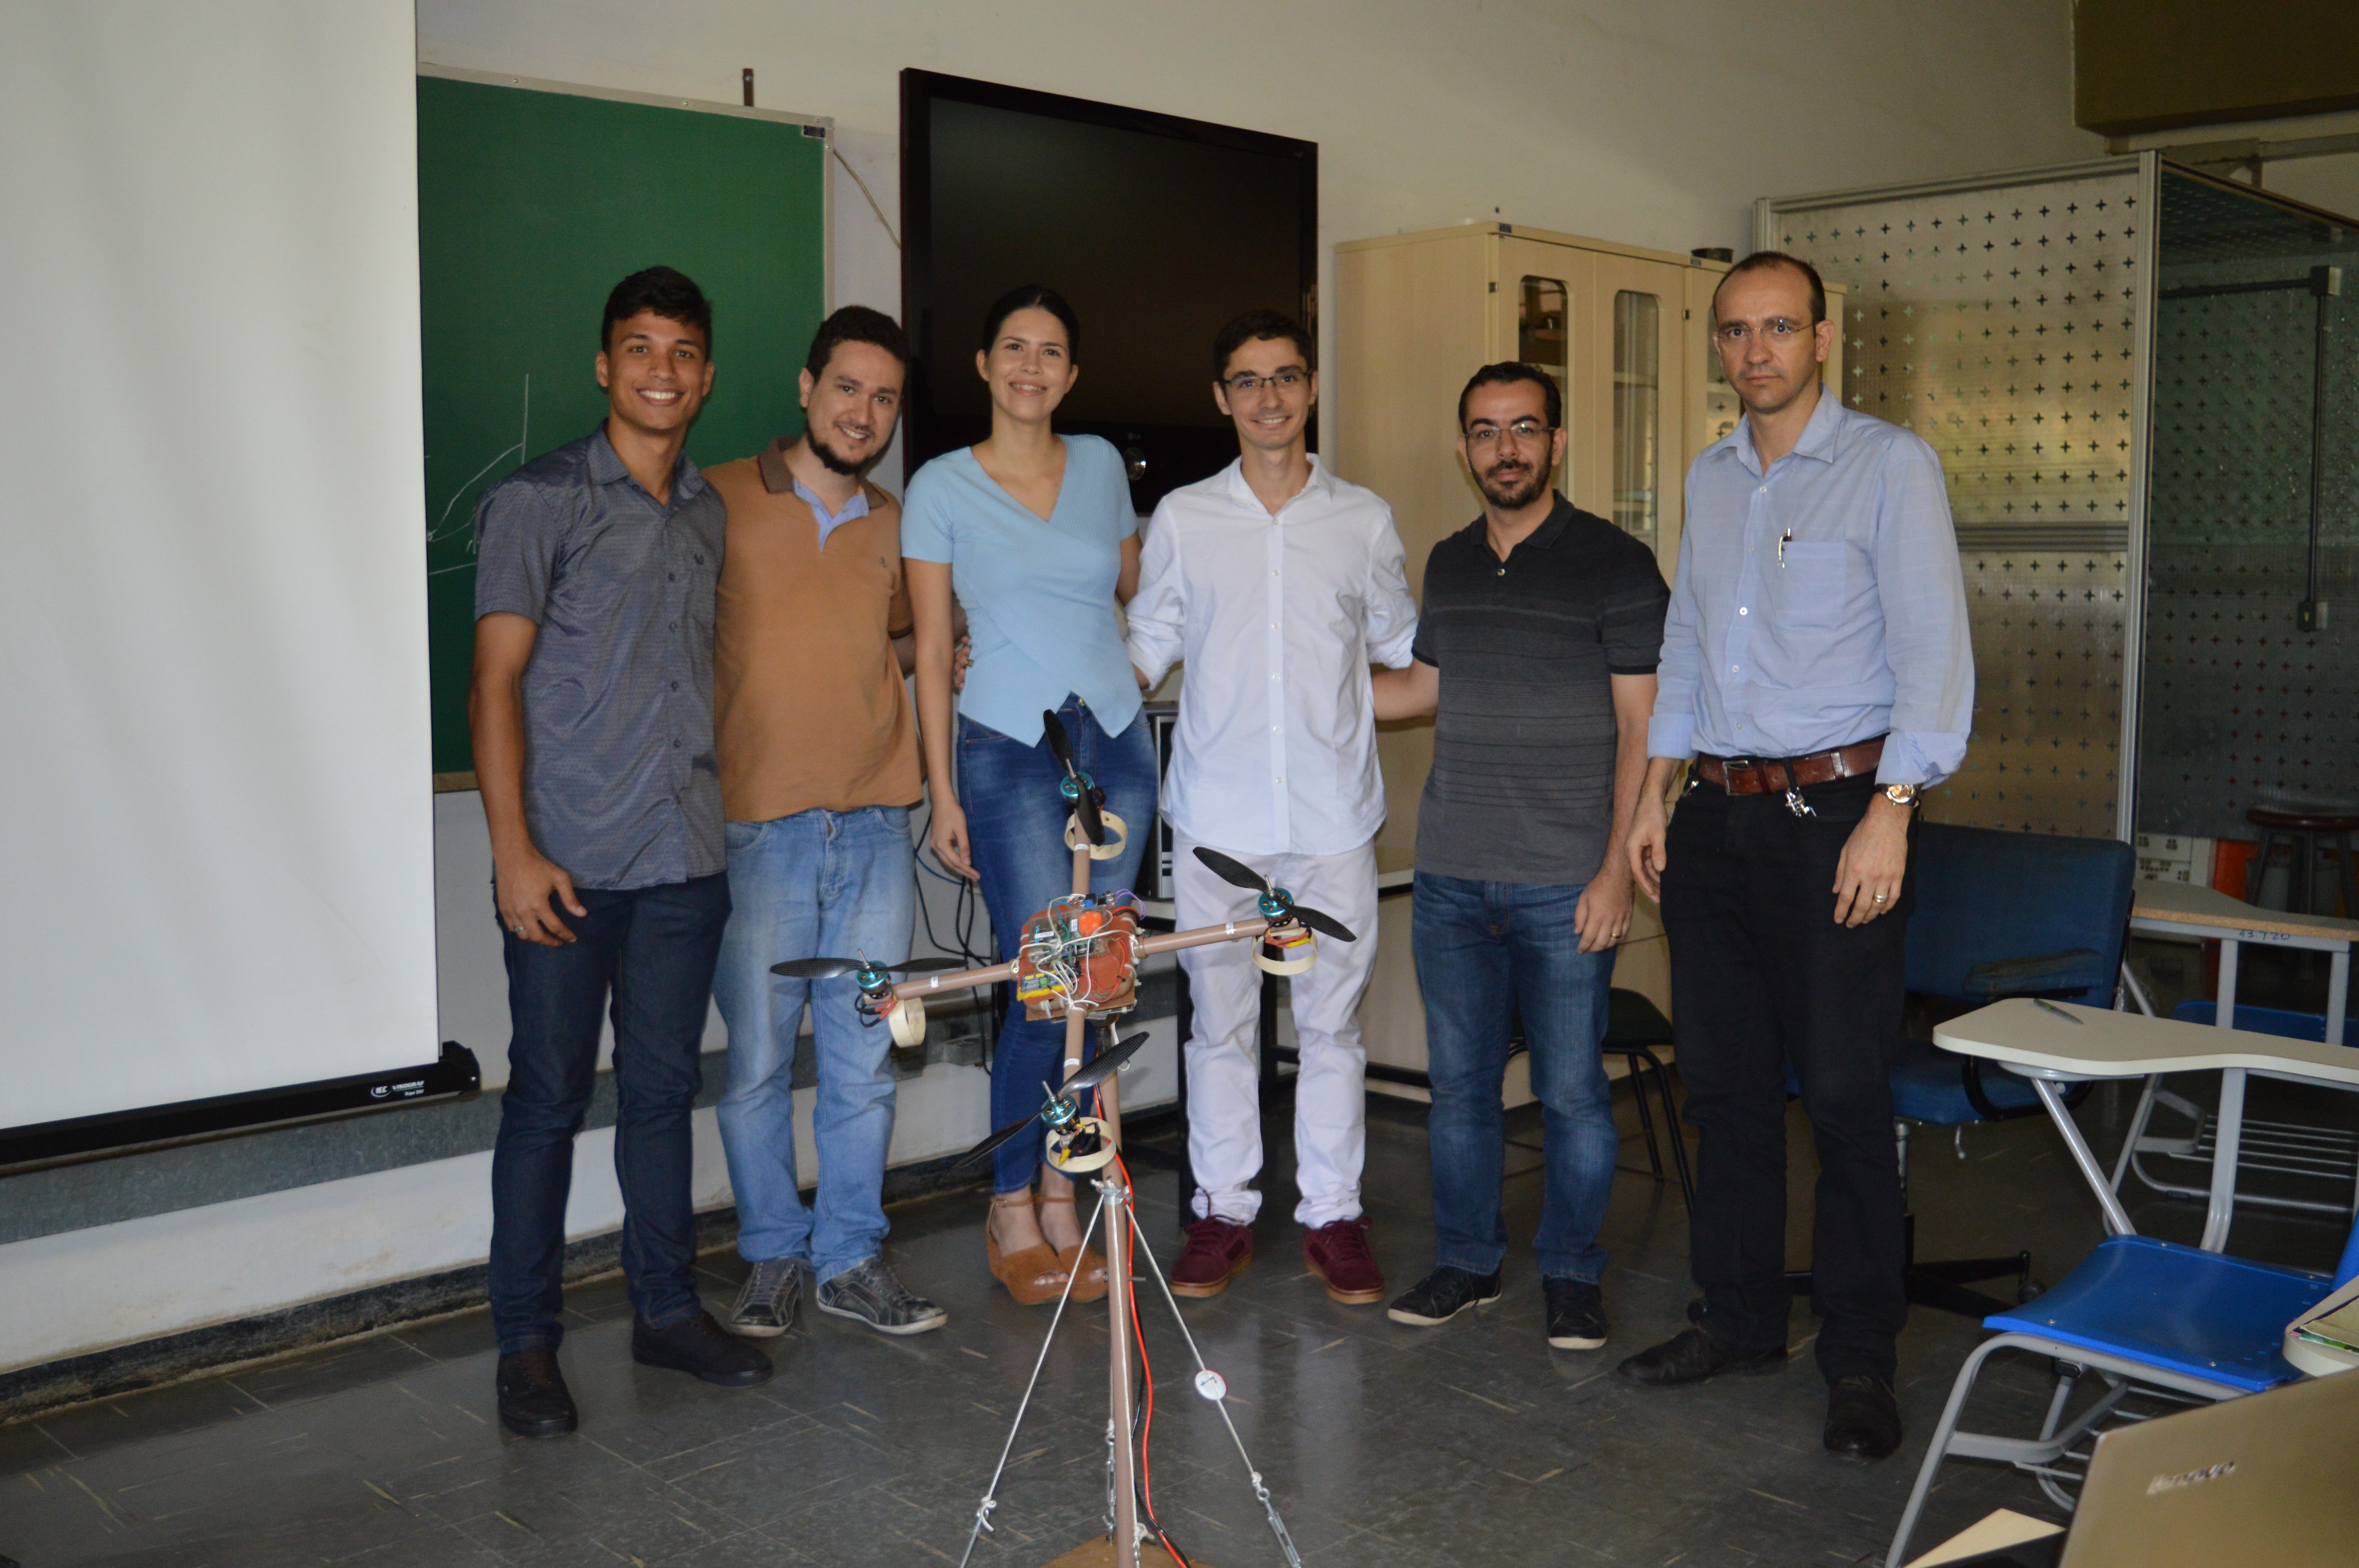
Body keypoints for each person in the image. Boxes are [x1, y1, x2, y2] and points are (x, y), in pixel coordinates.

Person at [1617, 251, 1972, 1463]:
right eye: (1734, 332)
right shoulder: (1711, 479)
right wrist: (1661, 791)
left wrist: (1897, 807)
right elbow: (1686, 638)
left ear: (1822, 337)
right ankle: (1741, 1318)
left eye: (1778, 328)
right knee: (1722, 1088)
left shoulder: (1889, 465)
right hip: (1715, 817)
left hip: (1841, 815)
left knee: (1845, 1095)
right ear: (1717, 348)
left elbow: (1934, 645)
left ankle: (1861, 1357)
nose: (1755, 350)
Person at [471, 266, 771, 1440]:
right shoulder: (537, 502)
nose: (663, 371)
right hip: (564, 866)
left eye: (685, 352)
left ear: (706, 374)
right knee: (546, 1100)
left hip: (684, 856)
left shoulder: (706, 511)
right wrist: (513, 851)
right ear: (606, 365)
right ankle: (527, 1345)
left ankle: (663, 1310)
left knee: (660, 1092)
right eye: (639, 349)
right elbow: (494, 685)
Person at [1371, 363, 1666, 1354]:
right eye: (1486, 431)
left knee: (1572, 1090)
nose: (1505, 448)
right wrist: (1289, 672)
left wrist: (1613, 870)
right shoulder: (1451, 562)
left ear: (1556, 442)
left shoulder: (1615, 564)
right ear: (1463, 449)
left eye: (1524, 429)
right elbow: (1419, 689)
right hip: (1453, 870)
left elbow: (1644, 727)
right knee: (1457, 1086)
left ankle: (1572, 1275)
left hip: (1563, 881)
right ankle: (1467, 1260)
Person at [1124, 309, 1417, 1304]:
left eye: (1284, 376)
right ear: (1221, 398)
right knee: (1218, 1024)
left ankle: (1333, 1216)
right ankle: (1222, 1210)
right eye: (1246, 381)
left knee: (1332, 1026)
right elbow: (1144, 645)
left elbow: (1398, 647)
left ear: (1312, 386)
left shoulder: (1363, 518)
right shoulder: (1181, 517)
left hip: (1334, 816)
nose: (1268, 397)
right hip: (1218, 819)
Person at [902, 285, 1156, 1305]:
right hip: (1007, 747)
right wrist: (941, 792)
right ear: (982, 364)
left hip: (1119, 743)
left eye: (1052, 352)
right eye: (1015, 347)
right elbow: (927, 647)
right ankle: (1012, 1202)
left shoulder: (1099, 467)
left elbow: (1133, 583)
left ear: (1072, 375)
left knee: (1093, 986)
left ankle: (1063, 1191)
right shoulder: (940, 487)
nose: (1032, 367)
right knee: (1043, 987)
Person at [702, 306, 947, 1342]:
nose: (865, 411)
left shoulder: (902, 524)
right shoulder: (713, 500)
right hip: (757, 833)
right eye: (848, 387)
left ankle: (849, 1257)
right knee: (757, 1061)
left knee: (860, 1064)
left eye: (885, 397)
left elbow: (907, 646)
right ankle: (771, 1260)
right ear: (806, 388)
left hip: (879, 831)